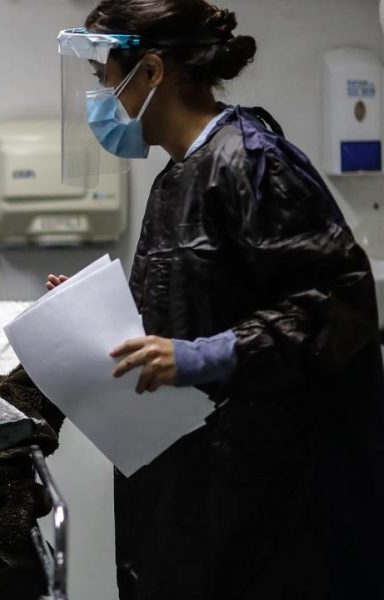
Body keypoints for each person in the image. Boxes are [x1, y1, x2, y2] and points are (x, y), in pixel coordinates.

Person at [49, 1, 384, 598]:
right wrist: (88, 315)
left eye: (106, 79)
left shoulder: (252, 161)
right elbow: (189, 309)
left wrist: (205, 357)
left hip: (272, 502)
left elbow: (339, 304)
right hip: (201, 486)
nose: (101, 99)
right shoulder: (178, 175)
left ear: (151, 72)